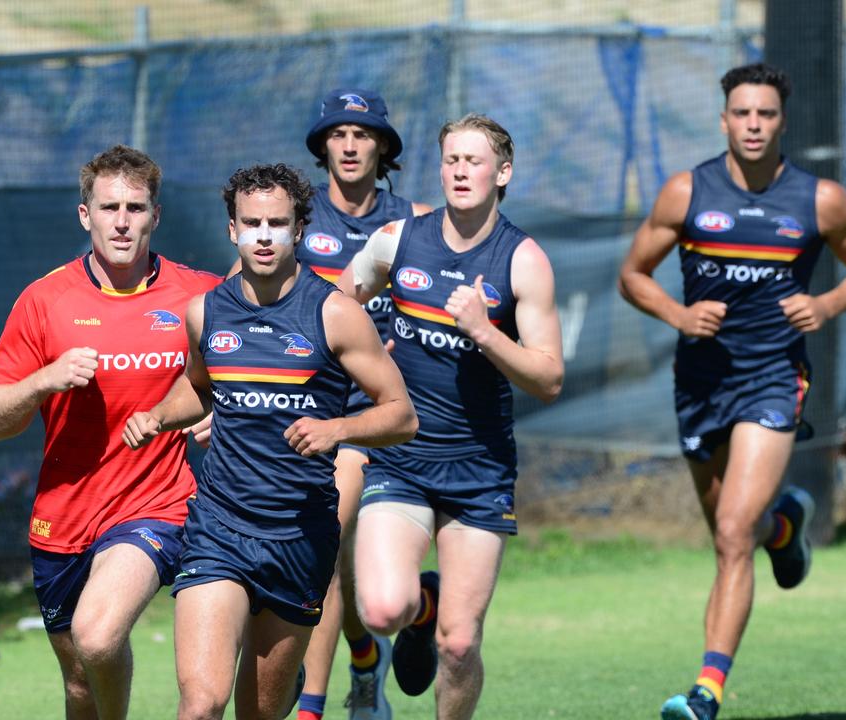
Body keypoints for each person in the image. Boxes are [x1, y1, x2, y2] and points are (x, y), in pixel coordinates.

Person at [616, 63, 846, 720]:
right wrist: (679, 316)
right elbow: (633, 274)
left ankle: (706, 692)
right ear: (724, 121)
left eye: (765, 114)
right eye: (743, 113)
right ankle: (785, 525)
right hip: (701, 381)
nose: (754, 125)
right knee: (730, 533)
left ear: (781, 122)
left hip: (772, 377)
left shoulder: (820, 200)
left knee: (734, 534)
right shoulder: (686, 192)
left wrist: (825, 305)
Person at [121, 163, 417, 720]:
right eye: (250, 223)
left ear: (298, 229)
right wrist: (159, 415)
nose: (263, 235)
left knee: (259, 713)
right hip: (220, 527)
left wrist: (338, 429)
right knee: (202, 703)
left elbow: (402, 416)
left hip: (299, 535)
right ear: (231, 229)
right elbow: (200, 386)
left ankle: (290, 675)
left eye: (276, 223)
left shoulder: (336, 314)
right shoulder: (205, 311)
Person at [0, 145, 222, 719]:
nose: (122, 221)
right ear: (84, 214)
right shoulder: (44, 300)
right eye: (109, 207)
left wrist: (219, 409)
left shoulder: (199, 295)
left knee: (99, 633)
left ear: (156, 216)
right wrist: (43, 381)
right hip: (61, 516)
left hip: (157, 505)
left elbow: (252, 369)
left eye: (136, 208)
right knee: (80, 684)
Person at [339, 114, 564, 720]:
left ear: (503, 173)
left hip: (479, 470)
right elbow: (335, 309)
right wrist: (366, 360)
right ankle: (423, 607)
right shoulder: (396, 239)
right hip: (404, 459)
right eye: (451, 160)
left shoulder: (523, 260)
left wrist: (485, 334)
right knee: (382, 610)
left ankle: (441, 627)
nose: (461, 171)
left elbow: (549, 377)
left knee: (460, 645)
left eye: (475, 160)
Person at [297, 87, 431, 720]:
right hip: (308, 409)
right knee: (343, 567)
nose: (350, 145)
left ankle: (312, 707)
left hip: (377, 417)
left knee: (322, 548)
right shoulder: (293, 219)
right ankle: (367, 658)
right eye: (338, 134)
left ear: (384, 147)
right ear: (323, 146)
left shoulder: (416, 224)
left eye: (364, 134)